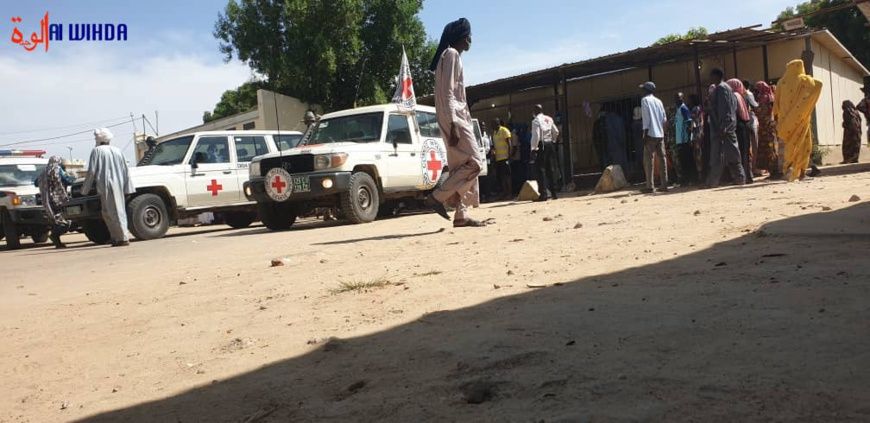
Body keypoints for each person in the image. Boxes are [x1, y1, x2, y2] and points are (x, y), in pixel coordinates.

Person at [425, 18, 488, 228]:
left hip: (452, 116)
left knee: (460, 166)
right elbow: (449, 92)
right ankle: (437, 197)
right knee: (475, 162)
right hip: (455, 118)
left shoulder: (448, 56)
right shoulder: (451, 54)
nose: (471, 40)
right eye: (468, 36)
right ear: (462, 37)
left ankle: (461, 215)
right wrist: (454, 123)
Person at [81, 128, 136, 246]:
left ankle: (122, 238)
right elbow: (125, 171)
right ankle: (116, 237)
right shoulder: (118, 150)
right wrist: (128, 188)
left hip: (106, 185)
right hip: (119, 184)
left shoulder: (97, 151)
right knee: (110, 212)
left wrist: (85, 190)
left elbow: (91, 171)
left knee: (112, 212)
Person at [775, 60, 823, 181]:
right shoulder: (805, 80)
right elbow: (819, 84)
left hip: (786, 122)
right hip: (801, 119)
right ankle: (801, 173)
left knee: (789, 145)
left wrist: (778, 117)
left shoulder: (781, 82)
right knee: (803, 144)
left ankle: (788, 170)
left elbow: (776, 104)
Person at [706, 69, 746, 188]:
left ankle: (738, 178)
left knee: (724, 153)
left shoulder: (721, 88)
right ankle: (733, 178)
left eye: (711, 75)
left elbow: (725, 108)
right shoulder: (727, 88)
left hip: (722, 127)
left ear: (717, 76)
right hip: (725, 125)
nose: (710, 78)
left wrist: (723, 126)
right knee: (727, 153)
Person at [36, 156, 75, 248]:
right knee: (65, 219)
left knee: (54, 219)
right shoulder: (57, 170)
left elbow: (36, 183)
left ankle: (57, 242)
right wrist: (74, 178)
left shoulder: (43, 172)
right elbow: (67, 180)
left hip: (47, 201)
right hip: (58, 199)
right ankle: (55, 236)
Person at [639, 81, 668, 193]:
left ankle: (650, 186)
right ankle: (664, 184)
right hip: (660, 134)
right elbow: (664, 119)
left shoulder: (645, 100)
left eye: (643, 89)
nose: (642, 91)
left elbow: (646, 119)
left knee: (648, 160)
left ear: (646, 90)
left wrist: (644, 134)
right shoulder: (659, 101)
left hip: (650, 133)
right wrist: (663, 132)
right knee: (662, 159)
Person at [530, 104, 561, 201]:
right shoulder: (549, 118)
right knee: (551, 169)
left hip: (542, 145)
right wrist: (553, 141)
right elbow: (556, 131)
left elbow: (536, 136)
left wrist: (533, 149)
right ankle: (554, 193)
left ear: (535, 111)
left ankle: (543, 194)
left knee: (541, 170)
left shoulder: (535, 121)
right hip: (550, 144)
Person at [727, 79, 753, 183]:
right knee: (746, 152)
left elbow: (733, 112)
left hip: (738, 126)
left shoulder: (733, 96)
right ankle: (748, 176)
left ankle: (742, 177)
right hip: (746, 124)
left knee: (740, 152)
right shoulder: (742, 96)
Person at [754, 81, 779, 177]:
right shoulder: (770, 96)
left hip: (765, 126)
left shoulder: (764, 97)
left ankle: (773, 170)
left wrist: (755, 110)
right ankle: (773, 170)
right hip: (769, 126)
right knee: (771, 147)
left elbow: (762, 112)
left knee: (768, 148)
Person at [674, 92, 696, 184]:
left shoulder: (683, 108)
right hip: (679, 140)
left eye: (679, 98)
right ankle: (686, 180)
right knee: (683, 160)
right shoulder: (678, 109)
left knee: (688, 160)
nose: (677, 100)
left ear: (682, 99)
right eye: (676, 98)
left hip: (685, 140)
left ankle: (692, 179)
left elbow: (690, 123)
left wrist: (690, 138)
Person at [491, 118, 513, 200]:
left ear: (497, 123)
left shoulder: (504, 130)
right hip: (498, 158)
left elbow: (509, 143)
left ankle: (510, 193)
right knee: (502, 176)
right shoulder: (494, 133)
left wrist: (509, 155)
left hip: (505, 157)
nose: (492, 126)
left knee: (507, 176)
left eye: (493, 124)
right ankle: (505, 192)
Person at [743, 79, 761, 176]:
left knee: (749, 146)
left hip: (747, 121)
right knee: (754, 145)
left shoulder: (743, 94)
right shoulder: (748, 94)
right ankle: (755, 168)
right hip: (752, 121)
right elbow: (755, 106)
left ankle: (752, 168)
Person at [857, 77, 870, 141]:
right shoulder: (866, 99)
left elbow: (859, 106)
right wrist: (867, 112)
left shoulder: (866, 99)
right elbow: (859, 106)